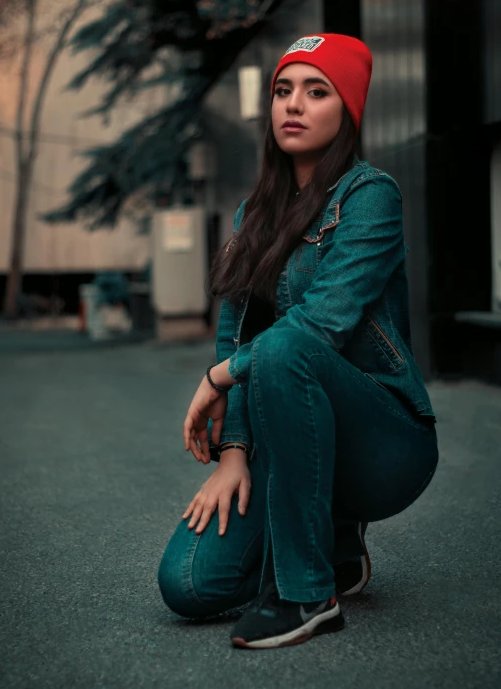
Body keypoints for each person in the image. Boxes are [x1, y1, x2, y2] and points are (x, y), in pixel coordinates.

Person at [158, 33, 439, 649]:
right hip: (290, 432)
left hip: (384, 441)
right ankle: (331, 539)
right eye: (284, 89)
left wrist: (216, 379)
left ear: (348, 111)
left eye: (317, 91)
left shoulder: (369, 197)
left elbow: (321, 326)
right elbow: (233, 333)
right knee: (186, 584)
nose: (294, 104)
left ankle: (307, 593)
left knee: (288, 344)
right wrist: (233, 452)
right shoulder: (250, 216)